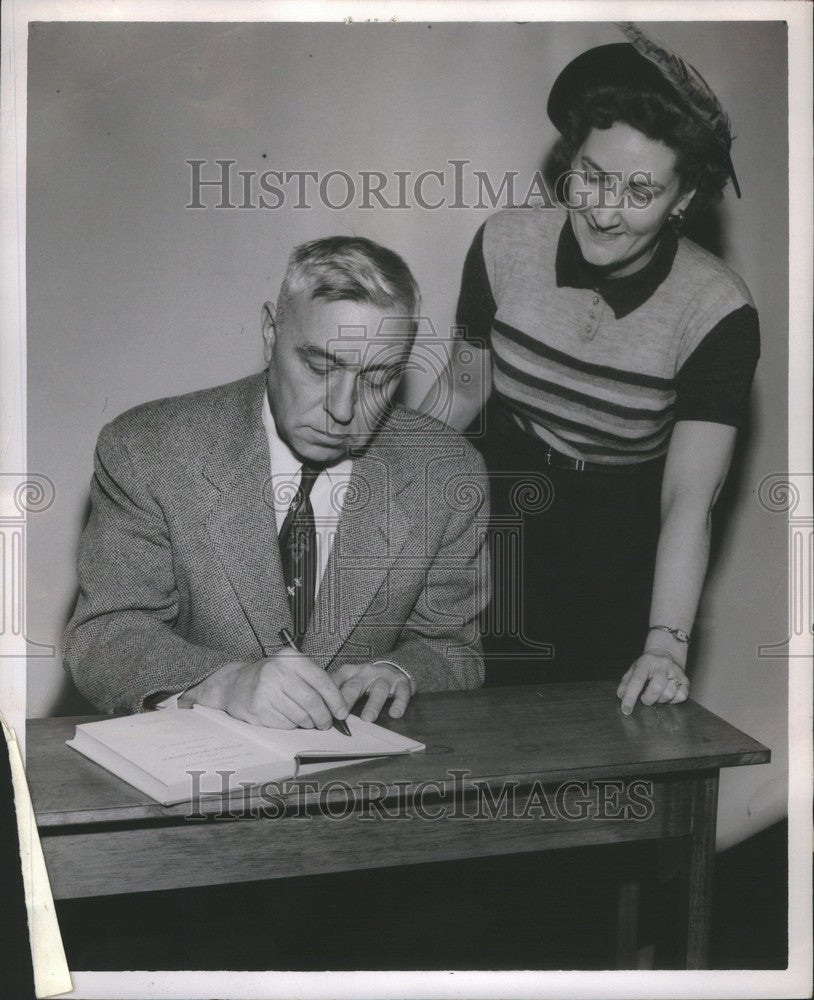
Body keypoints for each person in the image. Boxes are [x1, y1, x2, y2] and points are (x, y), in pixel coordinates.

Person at [421, 29, 759, 714]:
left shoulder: (719, 312)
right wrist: (359, 497)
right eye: (592, 175)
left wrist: (665, 644)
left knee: (584, 738)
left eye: (639, 191)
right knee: (459, 713)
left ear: (683, 198)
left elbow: (687, 500)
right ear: (568, 160)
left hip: (619, 537)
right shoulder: (505, 242)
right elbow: (459, 392)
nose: (604, 211)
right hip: (498, 504)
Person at [63, 236, 489, 728]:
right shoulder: (149, 450)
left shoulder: (447, 471)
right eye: (320, 366)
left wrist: (402, 671)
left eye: (378, 378)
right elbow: (105, 635)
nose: (344, 409)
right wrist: (222, 683)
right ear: (270, 332)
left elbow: (454, 649)